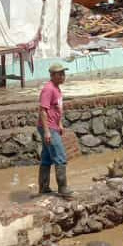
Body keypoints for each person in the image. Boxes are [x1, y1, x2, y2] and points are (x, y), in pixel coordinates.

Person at [38, 62, 73, 197]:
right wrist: (47, 131)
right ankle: (63, 188)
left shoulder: (57, 88)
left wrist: (60, 124)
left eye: (64, 73)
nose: (63, 76)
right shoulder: (49, 89)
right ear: (52, 75)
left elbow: (56, 109)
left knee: (47, 157)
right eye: (60, 74)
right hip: (48, 128)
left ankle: (44, 187)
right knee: (60, 156)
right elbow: (43, 111)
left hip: (53, 126)